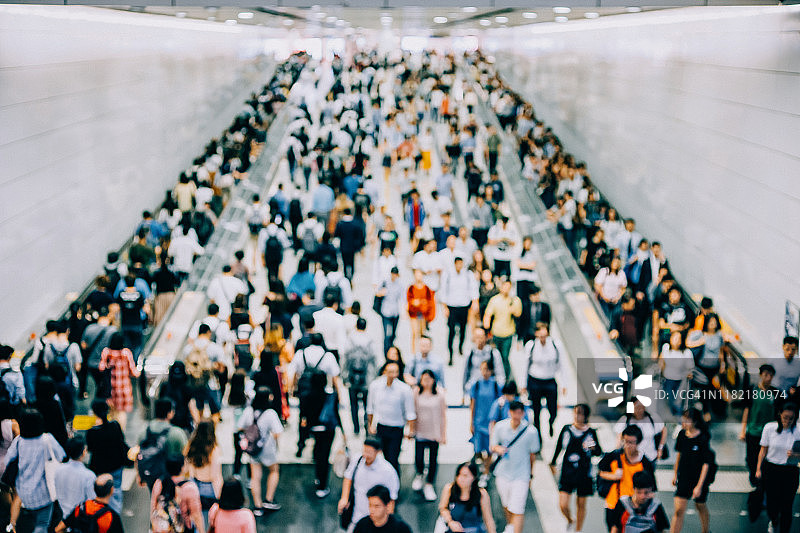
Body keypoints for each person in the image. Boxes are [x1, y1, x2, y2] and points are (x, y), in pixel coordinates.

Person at [289, 333, 341, 497]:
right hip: (324, 421)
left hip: (305, 400)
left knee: (303, 424)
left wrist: (292, 391)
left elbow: (293, 373)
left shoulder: (301, 354)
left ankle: (301, 444)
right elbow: (335, 376)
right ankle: (321, 482)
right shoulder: (328, 357)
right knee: (323, 451)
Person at [5, 409, 65, 533]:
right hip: (44, 493)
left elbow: (8, 460)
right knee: (42, 524)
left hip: (23, 494)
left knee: (26, 524)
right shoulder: (47, 439)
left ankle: (12, 525)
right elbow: (61, 456)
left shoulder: (18, 441)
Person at [490, 400, 541, 533]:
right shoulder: (500, 427)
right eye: (514, 412)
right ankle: (511, 526)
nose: (516, 416)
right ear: (509, 412)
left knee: (518, 508)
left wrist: (530, 475)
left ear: (523, 413)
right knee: (506, 504)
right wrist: (498, 449)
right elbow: (493, 446)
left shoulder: (531, 431)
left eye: (519, 413)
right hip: (503, 473)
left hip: (521, 474)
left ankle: (514, 529)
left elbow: (532, 454)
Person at [550, 404, 602, 533]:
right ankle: (569, 519)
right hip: (568, 471)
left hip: (584, 472)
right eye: (575, 413)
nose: (577, 416)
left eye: (580, 413)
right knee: (563, 504)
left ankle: (578, 529)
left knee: (581, 504)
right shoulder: (567, 429)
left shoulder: (591, 432)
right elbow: (559, 446)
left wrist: (592, 447)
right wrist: (553, 462)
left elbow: (598, 452)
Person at [598, 425, 656, 532]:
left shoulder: (645, 463)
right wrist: (613, 476)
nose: (627, 446)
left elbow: (652, 488)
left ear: (638, 443)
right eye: (625, 441)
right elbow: (600, 472)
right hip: (613, 503)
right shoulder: (613, 456)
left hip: (634, 507)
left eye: (631, 442)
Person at [338, 438, 399, 533]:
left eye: (370, 452)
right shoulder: (357, 460)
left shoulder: (388, 471)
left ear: (378, 452)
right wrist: (344, 498)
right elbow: (348, 477)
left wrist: (388, 522)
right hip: (356, 516)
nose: (366, 455)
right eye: (365, 450)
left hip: (376, 521)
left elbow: (392, 499)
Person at [756, 402, 800, 533]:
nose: (788, 421)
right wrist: (758, 468)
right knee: (772, 503)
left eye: (791, 418)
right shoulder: (770, 428)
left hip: (790, 470)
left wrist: (796, 454)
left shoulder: (798, 430)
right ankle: (774, 520)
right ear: (780, 414)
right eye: (785, 417)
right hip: (772, 469)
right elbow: (763, 450)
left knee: (787, 505)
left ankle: (784, 529)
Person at [238, 387, 282, 514]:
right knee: (274, 471)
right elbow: (278, 432)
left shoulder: (249, 411)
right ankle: (268, 499)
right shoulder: (270, 413)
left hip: (253, 448)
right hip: (268, 448)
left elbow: (240, 426)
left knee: (255, 477)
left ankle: (257, 506)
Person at [366, 361, 416, 474]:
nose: (393, 375)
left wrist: (411, 430)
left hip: (396, 428)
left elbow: (410, 411)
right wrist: (370, 425)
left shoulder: (404, 389)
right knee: (378, 459)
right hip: (381, 426)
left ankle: (394, 486)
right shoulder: (375, 386)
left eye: (395, 372)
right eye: (390, 372)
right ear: (384, 372)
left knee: (392, 459)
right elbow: (370, 408)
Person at [670, 408, 715, 533]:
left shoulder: (702, 437)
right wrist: (675, 475)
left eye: (687, 420)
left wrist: (699, 486)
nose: (683, 422)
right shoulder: (681, 435)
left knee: (700, 505)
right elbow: (679, 456)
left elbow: (706, 463)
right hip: (684, 477)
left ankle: (705, 531)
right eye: (683, 419)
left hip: (698, 478)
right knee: (678, 510)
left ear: (694, 421)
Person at [739, 364, 779, 501]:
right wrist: (743, 430)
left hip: (768, 433)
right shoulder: (752, 390)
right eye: (766, 375)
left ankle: (762, 482)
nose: (768, 378)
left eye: (771, 375)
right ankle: (754, 478)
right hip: (753, 431)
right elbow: (747, 410)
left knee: (765, 458)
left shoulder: (775, 392)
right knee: (751, 457)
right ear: (761, 375)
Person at [86, 400, 129, 515]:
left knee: (100, 494)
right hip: (116, 465)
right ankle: (114, 517)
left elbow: (90, 448)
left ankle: (101, 517)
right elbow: (121, 443)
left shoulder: (92, 432)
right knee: (116, 490)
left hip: (99, 468)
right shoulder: (115, 426)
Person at [524, 322, 563, 437]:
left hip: (550, 380)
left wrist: (564, 383)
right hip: (535, 381)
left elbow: (562, 364)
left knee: (553, 409)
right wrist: (523, 384)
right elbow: (525, 365)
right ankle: (538, 434)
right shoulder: (531, 346)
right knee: (536, 410)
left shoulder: (555, 345)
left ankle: (551, 422)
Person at [412, 370, 446, 502]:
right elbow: (412, 412)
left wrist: (443, 434)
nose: (426, 381)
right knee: (419, 457)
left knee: (432, 460)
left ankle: (429, 484)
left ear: (433, 380)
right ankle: (420, 475)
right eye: (423, 379)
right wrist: (411, 430)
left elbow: (443, 415)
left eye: (428, 379)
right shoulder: (416, 392)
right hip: (420, 431)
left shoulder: (439, 394)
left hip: (434, 433)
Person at [440, 256, 479, 364]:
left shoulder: (467, 275)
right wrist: (444, 307)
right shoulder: (448, 275)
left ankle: (461, 346)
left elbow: (473, 288)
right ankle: (451, 354)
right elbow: (443, 290)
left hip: (463, 306)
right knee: (451, 331)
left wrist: (475, 301)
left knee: (463, 329)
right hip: (452, 306)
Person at [438, 462, 497, 533]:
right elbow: (443, 508)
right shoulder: (449, 489)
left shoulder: (481, 494)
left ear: (474, 477)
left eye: (465, 476)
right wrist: (450, 521)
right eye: (459, 475)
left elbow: (488, 519)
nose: (461, 478)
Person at [150, 456, 205, 533]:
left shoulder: (159, 483)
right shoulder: (189, 487)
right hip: (182, 529)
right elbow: (196, 515)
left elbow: (153, 507)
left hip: (162, 528)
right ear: (182, 468)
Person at [342, 318, 378, 435]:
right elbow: (374, 359)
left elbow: (345, 357)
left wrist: (344, 375)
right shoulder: (370, 340)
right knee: (367, 404)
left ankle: (356, 427)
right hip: (366, 377)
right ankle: (366, 425)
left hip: (352, 376)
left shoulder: (350, 339)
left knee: (353, 403)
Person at [99, 332, 140, 431]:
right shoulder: (126, 353)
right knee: (121, 413)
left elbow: (101, 368)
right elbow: (134, 372)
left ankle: (111, 433)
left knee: (112, 412)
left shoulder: (106, 352)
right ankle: (120, 433)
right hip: (123, 389)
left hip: (110, 389)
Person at [55, 474, 124, 533]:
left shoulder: (81, 508)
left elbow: (58, 529)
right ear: (112, 490)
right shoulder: (111, 517)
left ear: (94, 489)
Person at [470, 360, 502, 484]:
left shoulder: (495, 386)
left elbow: (500, 404)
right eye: (483, 369)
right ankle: (482, 466)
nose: (485, 372)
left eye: (488, 369)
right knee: (478, 448)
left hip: (490, 423)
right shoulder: (476, 384)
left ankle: (486, 472)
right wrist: (471, 422)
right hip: (478, 422)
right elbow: (473, 404)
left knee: (489, 449)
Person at [482, 279, 522, 379]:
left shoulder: (515, 300)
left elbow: (518, 314)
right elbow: (488, 314)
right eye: (504, 286)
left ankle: (505, 377)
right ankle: (494, 375)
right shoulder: (495, 300)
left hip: (508, 334)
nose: (506, 289)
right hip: (496, 333)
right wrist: (486, 329)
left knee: (504, 357)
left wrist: (512, 309)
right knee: (495, 356)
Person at [185, 420, 223, 525]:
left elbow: (189, 470)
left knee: (196, 518)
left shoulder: (191, 446)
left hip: (194, 484)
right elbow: (215, 476)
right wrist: (220, 496)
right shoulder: (213, 450)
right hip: (209, 488)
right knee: (209, 520)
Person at [54, 436, 97, 519]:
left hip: (63, 513)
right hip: (80, 517)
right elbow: (91, 500)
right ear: (84, 452)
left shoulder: (58, 470)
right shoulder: (89, 476)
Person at [614, 398, 667, 464]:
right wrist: (617, 452)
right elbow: (619, 437)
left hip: (649, 456)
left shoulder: (652, 418)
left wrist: (660, 448)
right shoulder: (626, 420)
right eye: (636, 408)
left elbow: (663, 430)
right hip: (631, 458)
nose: (639, 410)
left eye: (641, 407)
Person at [463, 328, 506, 401]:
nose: (479, 340)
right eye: (477, 337)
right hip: (474, 390)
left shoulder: (494, 353)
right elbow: (465, 374)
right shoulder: (469, 354)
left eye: (481, 337)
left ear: (486, 338)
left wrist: (499, 391)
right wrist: (464, 393)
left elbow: (500, 374)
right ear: (473, 338)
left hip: (490, 391)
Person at [659, 331, 694, 416]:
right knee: (669, 399)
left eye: (679, 339)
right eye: (674, 338)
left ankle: (679, 418)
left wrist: (689, 374)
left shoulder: (686, 352)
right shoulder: (666, 347)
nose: (676, 341)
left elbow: (691, 368)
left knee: (678, 401)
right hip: (667, 379)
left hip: (680, 381)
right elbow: (661, 360)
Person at [406, 269, 435, 353]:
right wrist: (413, 303)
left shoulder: (426, 288)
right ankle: (414, 351)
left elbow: (429, 301)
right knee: (415, 332)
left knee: (422, 332)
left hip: (423, 313)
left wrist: (421, 303)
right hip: (414, 313)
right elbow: (409, 300)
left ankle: (422, 350)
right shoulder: (411, 288)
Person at [376, 267, 404, 354]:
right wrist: (381, 292)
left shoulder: (400, 284)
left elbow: (403, 298)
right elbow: (377, 293)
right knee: (387, 334)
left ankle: (391, 348)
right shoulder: (385, 282)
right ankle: (386, 351)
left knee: (393, 334)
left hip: (395, 312)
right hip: (386, 311)